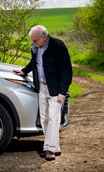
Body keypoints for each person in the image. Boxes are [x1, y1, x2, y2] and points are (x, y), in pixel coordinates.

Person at [13, 25, 72, 161]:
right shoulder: (36, 47)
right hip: (42, 87)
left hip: (56, 90)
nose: (33, 43)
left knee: (53, 118)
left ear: (43, 37)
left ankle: (49, 150)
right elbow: (35, 62)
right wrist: (24, 71)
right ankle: (54, 147)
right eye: (32, 40)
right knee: (44, 118)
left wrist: (63, 91)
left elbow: (66, 70)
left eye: (35, 40)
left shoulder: (57, 46)